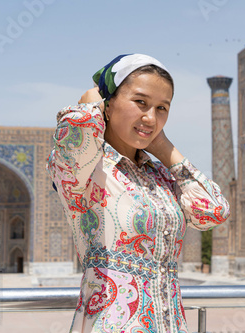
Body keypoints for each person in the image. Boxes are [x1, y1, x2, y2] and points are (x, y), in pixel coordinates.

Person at [46, 54, 229, 333]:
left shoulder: (160, 176)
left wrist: (165, 148)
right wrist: (92, 103)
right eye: (140, 102)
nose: (150, 117)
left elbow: (213, 212)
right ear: (109, 102)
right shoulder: (84, 170)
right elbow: (75, 135)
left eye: (162, 108)